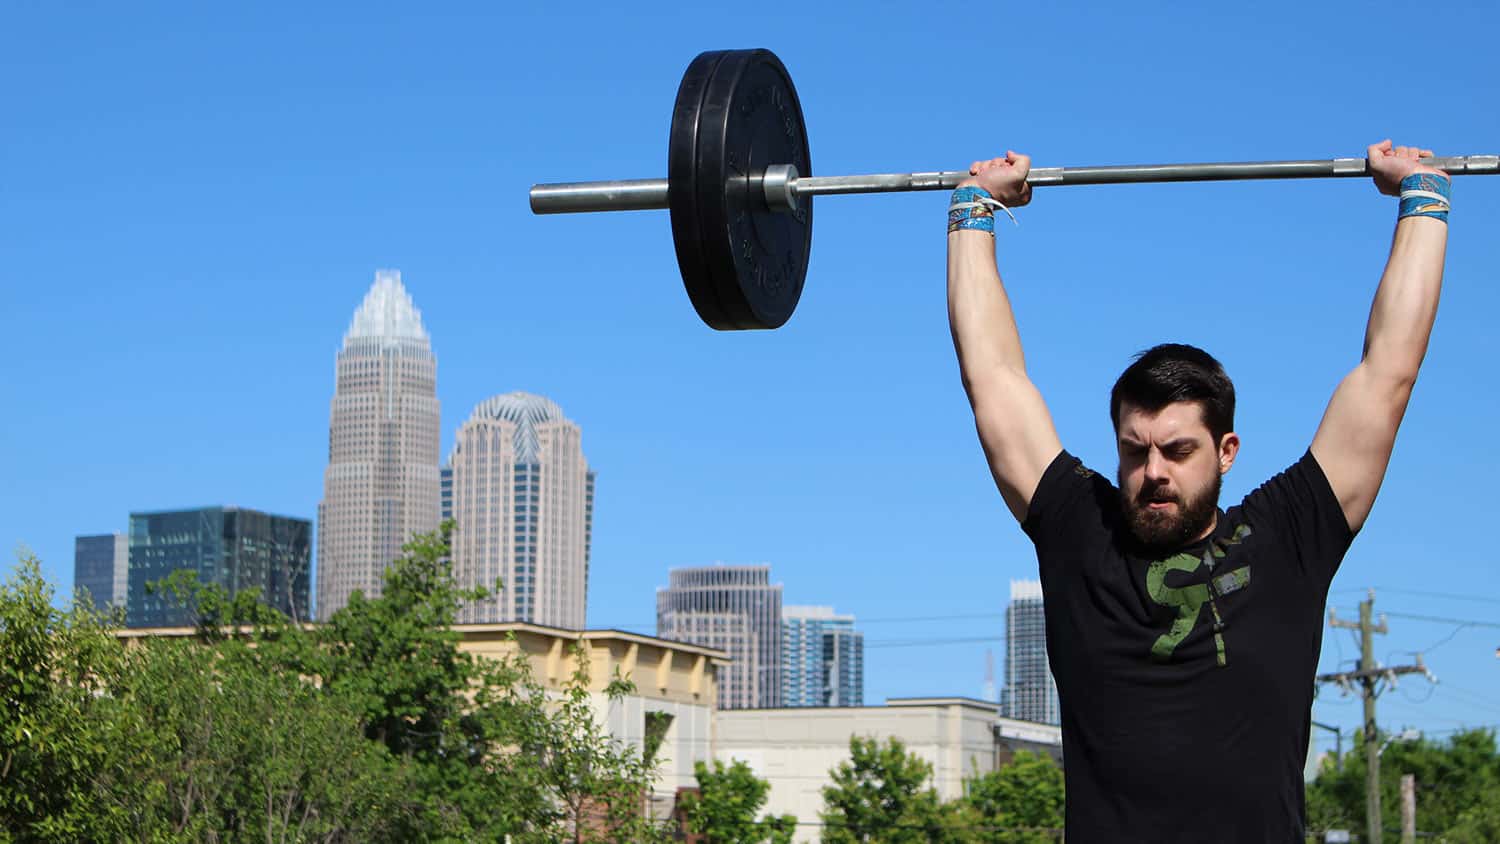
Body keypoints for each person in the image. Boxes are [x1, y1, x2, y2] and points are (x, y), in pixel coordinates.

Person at [946, 141, 1450, 842]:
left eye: (1178, 451)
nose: (1154, 471)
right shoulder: (1078, 526)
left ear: (1226, 451)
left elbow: (1389, 372)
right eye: (1135, 451)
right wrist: (974, 212)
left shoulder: (1290, 535)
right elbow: (993, 380)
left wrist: (1423, 199)